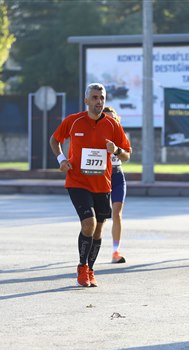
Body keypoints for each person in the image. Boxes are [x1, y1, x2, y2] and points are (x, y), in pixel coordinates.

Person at [50, 83, 132, 287]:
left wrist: (116, 150)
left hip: (103, 184)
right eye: (95, 97)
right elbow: (55, 140)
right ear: (86, 100)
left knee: (98, 230)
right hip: (77, 181)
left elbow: (127, 155)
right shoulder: (73, 121)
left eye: (102, 98)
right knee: (89, 223)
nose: (99, 101)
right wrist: (61, 159)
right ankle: (81, 267)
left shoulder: (112, 125)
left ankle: (91, 270)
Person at [103, 106, 129, 263]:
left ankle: (115, 251)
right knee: (100, 217)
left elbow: (126, 156)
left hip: (117, 175)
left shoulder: (120, 135)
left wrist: (117, 150)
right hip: (101, 177)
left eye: (113, 118)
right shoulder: (97, 134)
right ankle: (92, 247)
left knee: (117, 213)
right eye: (107, 118)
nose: (110, 121)